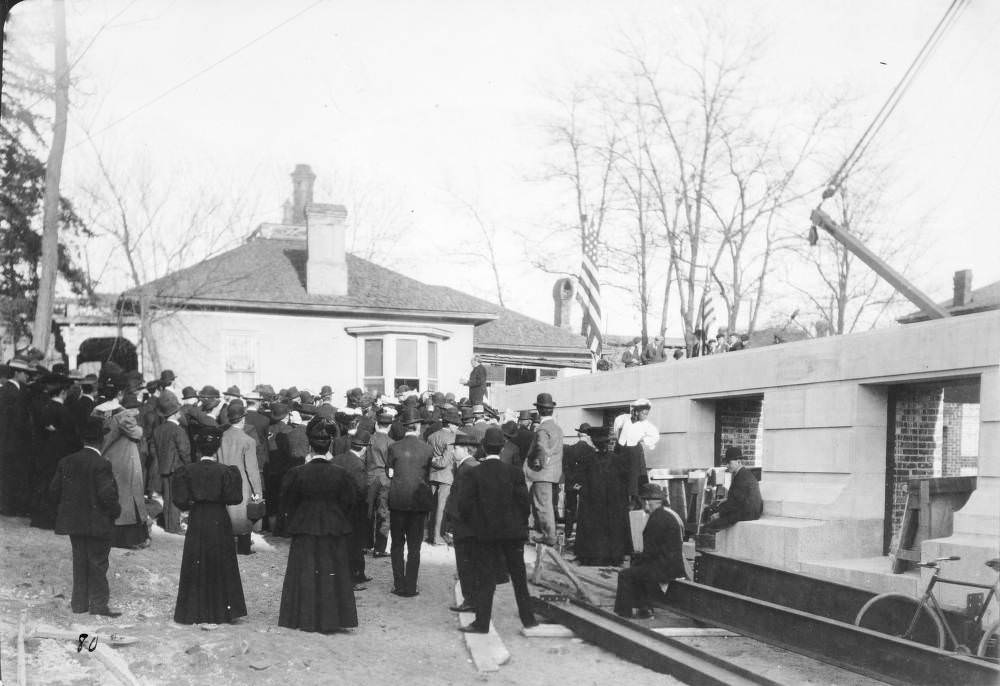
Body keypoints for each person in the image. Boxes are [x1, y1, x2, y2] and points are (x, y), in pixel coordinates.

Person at [279, 418, 359, 633]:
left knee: (305, 570)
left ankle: (304, 617)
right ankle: (331, 619)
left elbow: (287, 503)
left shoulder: (296, 473)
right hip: (333, 526)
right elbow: (350, 503)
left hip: (305, 526)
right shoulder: (341, 474)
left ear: (310, 445)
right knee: (332, 570)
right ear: (330, 444)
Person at [458, 427, 538, 634]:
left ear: (483, 447)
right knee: (519, 579)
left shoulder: (475, 473)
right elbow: (524, 505)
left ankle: (481, 623)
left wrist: (476, 526)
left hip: (486, 535)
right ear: (502, 448)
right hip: (513, 535)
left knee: (486, 580)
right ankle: (528, 620)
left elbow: (465, 506)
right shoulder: (514, 472)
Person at [172, 426, 247, 625]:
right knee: (220, 560)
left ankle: (194, 611)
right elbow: (235, 498)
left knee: (196, 560)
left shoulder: (186, 471)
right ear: (217, 446)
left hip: (197, 517)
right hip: (219, 518)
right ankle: (221, 611)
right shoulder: (226, 471)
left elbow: (179, 500)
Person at [50, 416, 123, 617]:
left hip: (74, 522)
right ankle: (98, 606)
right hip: (98, 522)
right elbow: (106, 495)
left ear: (83, 439)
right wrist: (116, 511)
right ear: (101, 440)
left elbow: (53, 491)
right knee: (98, 562)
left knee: (79, 560)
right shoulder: (102, 464)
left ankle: (79, 604)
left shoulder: (66, 461)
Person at [613, 483, 687, 620]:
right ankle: (645, 609)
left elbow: (650, 551)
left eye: (643, 502)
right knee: (638, 570)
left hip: (664, 568)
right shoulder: (666, 515)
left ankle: (623, 614)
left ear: (647, 502)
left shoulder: (656, 519)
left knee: (625, 575)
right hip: (671, 565)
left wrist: (636, 561)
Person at [385, 406, 434, 597]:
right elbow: (428, 475)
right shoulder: (427, 449)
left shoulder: (393, 447)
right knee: (415, 546)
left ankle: (399, 585)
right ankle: (411, 586)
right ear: (418, 426)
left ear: (406, 426)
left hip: (397, 501)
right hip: (419, 502)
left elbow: (390, 473)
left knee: (397, 544)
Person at [573, 426, 629, 566]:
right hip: (612, 503)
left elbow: (580, 480)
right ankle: (613, 556)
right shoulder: (617, 460)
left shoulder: (587, 459)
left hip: (593, 502)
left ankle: (593, 556)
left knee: (594, 527)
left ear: (593, 442)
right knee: (611, 527)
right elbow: (624, 483)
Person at [31, 373, 80, 529]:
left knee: (42, 483)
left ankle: (39, 518)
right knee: (55, 486)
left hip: (43, 452)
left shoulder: (44, 407)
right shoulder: (63, 411)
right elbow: (71, 436)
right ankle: (50, 519)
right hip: (59, 454)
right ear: (63, 392)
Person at [216, 401, 263, 555]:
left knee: (226, 513)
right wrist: (257, 491)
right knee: (242, 516)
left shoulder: (220, 437)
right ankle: (243, 548)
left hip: (223, 479)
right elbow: (252, 470)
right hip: (242, 482)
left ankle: (226, 547)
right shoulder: (248, 441)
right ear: (243, 419)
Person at [105, 392, 149, 549]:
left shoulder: (109, 413)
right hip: (125, 461)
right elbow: (137, 433)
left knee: (122, 497)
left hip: (115, 458)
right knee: (128, 499)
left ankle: (123, 538)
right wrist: (140, 427)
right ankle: (129, 539)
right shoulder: (124, 416)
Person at [443, 432, 481, 613]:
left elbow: (458, 500)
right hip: (472, 525)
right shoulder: (473, 466)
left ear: (467, 449)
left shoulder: (466, 468)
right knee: (470, 563)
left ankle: (470, 600)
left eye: (456, 447)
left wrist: (450, 526)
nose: (453, 450)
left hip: (464, 525)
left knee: (465, 564)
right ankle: (473, 599)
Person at [331, 428, 372, 586]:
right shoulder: (358, 465)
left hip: (336, 508)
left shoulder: (337, 459)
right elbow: (361, 490)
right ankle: (352, 578)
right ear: (363, 448)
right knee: (354, 544)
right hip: (353, 510)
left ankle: (358, 574)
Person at [523, 393, 563, 546]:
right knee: (548, 504)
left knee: (542, 505)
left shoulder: (542, 429)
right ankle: (546, 534)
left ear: (539, 410)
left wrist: (540, 463)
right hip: (554, 474)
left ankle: (548, 536)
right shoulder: (557, 428)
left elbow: (541, 448)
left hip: (542, 474)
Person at [0, 357, 37, 516]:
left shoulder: (7, 390)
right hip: (14, 441)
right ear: (16, 373)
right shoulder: (15, 393)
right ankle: (10, 507)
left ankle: (7, 506)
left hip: (7, 441)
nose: (28, 376)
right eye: (25, 372)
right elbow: (17, 421)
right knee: (12, 473)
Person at [151, 390, 191, 534]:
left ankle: (169, 524)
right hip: (177, 468)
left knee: (167, 496)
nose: (180, 413)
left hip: (163, 467)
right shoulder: (178, 430)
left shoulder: (158, 430)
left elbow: (155, 450)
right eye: (178, 411)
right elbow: (184, 451)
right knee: (175, 497)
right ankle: (173, 526)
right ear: (175, 413)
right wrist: (189, 466)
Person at [703, 446, 763, 533]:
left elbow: (734, 504)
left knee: (707, 528)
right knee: (715, 509)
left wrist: (719, 514)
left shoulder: (741, 478)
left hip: (745, 514)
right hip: (749, 512)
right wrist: (726, 499)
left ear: (738, 462)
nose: (727, 466)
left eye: (729, 463)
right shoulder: (744, 474)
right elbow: (739, 498)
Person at [426, 407, 460, 545]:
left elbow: (429, 457)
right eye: (456, 424)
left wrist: (433, 460)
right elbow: (445, 462)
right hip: (446, 477)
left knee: (433, 507)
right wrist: (438, 461)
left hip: (432, 475)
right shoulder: (451, 438)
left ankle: (431, 534)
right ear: (450, 424)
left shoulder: (431, 436)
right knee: (442, 507)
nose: (457, 427)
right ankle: (437, 537)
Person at [616, 398, 657, 507]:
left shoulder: (646, 424)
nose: (645, 416)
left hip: (635, 453)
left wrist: (642, 439)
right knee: (622, 478)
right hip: (622, 451)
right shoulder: (625, 420)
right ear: (637, 412)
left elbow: (655, 436)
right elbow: (618, 427)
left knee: (635, 479)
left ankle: (635, 502)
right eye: (643, 413)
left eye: (647, 414)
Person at [366, 407, 394, 557]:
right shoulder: (392, 443)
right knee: (383, 512)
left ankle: (366, 544)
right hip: (384, 479)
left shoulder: (369, 439)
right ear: (389, 426)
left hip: (370, 477)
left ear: (377, 424)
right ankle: (380, 548)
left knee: (368, 512)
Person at [562, 423, 595, 547]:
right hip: (584, 486)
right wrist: (580, 483)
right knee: (584, 510)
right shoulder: (591, 451)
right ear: (589, 436)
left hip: (571, 484)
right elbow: (590, 471)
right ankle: (582, 538)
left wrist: (573, 482)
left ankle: (567, 533)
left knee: (570, 510)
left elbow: (565, 468)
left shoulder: (569, 449)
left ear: (578, 434)